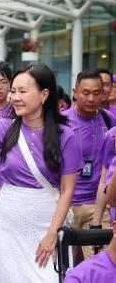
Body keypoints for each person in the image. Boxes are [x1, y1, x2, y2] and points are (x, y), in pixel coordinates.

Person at [0, 63, 81, 282]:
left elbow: (67, 191)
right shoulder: (4, 128)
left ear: (43, 94)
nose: (14, 97)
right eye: (13, 91)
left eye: (22, 91)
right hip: (5, 225)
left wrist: (52, 234)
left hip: (46, 222)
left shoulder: (65, 135)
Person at [64, 70, 116, 262]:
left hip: (96, 206)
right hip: (66, 205)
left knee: (99, 264)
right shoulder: (61, 122)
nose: (91, 98)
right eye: (86, 92)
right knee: (64, 268)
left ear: (103, 94)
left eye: (96, 92)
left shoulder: (109, 121)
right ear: (75, 92)